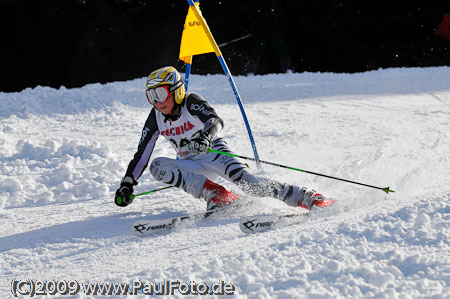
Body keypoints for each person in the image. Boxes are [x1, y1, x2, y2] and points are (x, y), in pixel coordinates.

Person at [115, 66, 333, 211]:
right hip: (191, 162)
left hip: (214, 152)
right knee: (157, 166)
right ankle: (217, 195)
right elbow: (142, 155)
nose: (157, 102)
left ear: (177, 91)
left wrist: (206, 139)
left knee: (251, 185)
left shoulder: (191, 102)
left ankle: (308, 197)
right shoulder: (155, 118)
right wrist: (127, 184)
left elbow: (215, 121)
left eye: (160, 94)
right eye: (151, 96)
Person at [242, 0, 294, 75]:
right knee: (258, 50)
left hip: (274, 30)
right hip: (262, 31)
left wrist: (281, 29)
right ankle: (249, 70)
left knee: (280, 49)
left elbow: (279, 15)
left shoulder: (274, 3)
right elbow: (253, 15)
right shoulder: (258, 3)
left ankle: (288, 68)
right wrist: (256, 27)